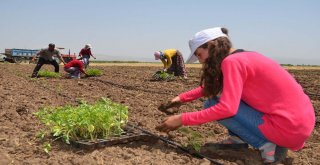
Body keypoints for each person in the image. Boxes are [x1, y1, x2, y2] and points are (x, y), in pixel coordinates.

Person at [156, 27, 315, 163]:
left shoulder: (231, 62)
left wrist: (182, 119)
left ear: (211, 46)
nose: (201, 61)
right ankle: (238, 141)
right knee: (215, 99)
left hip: (288, 127)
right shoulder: (243, 57)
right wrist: (180, 98)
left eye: (199, 54)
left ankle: (268, 146)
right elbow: (212, 87)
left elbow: (227, 109)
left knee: (216, 104)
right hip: (299, 124)